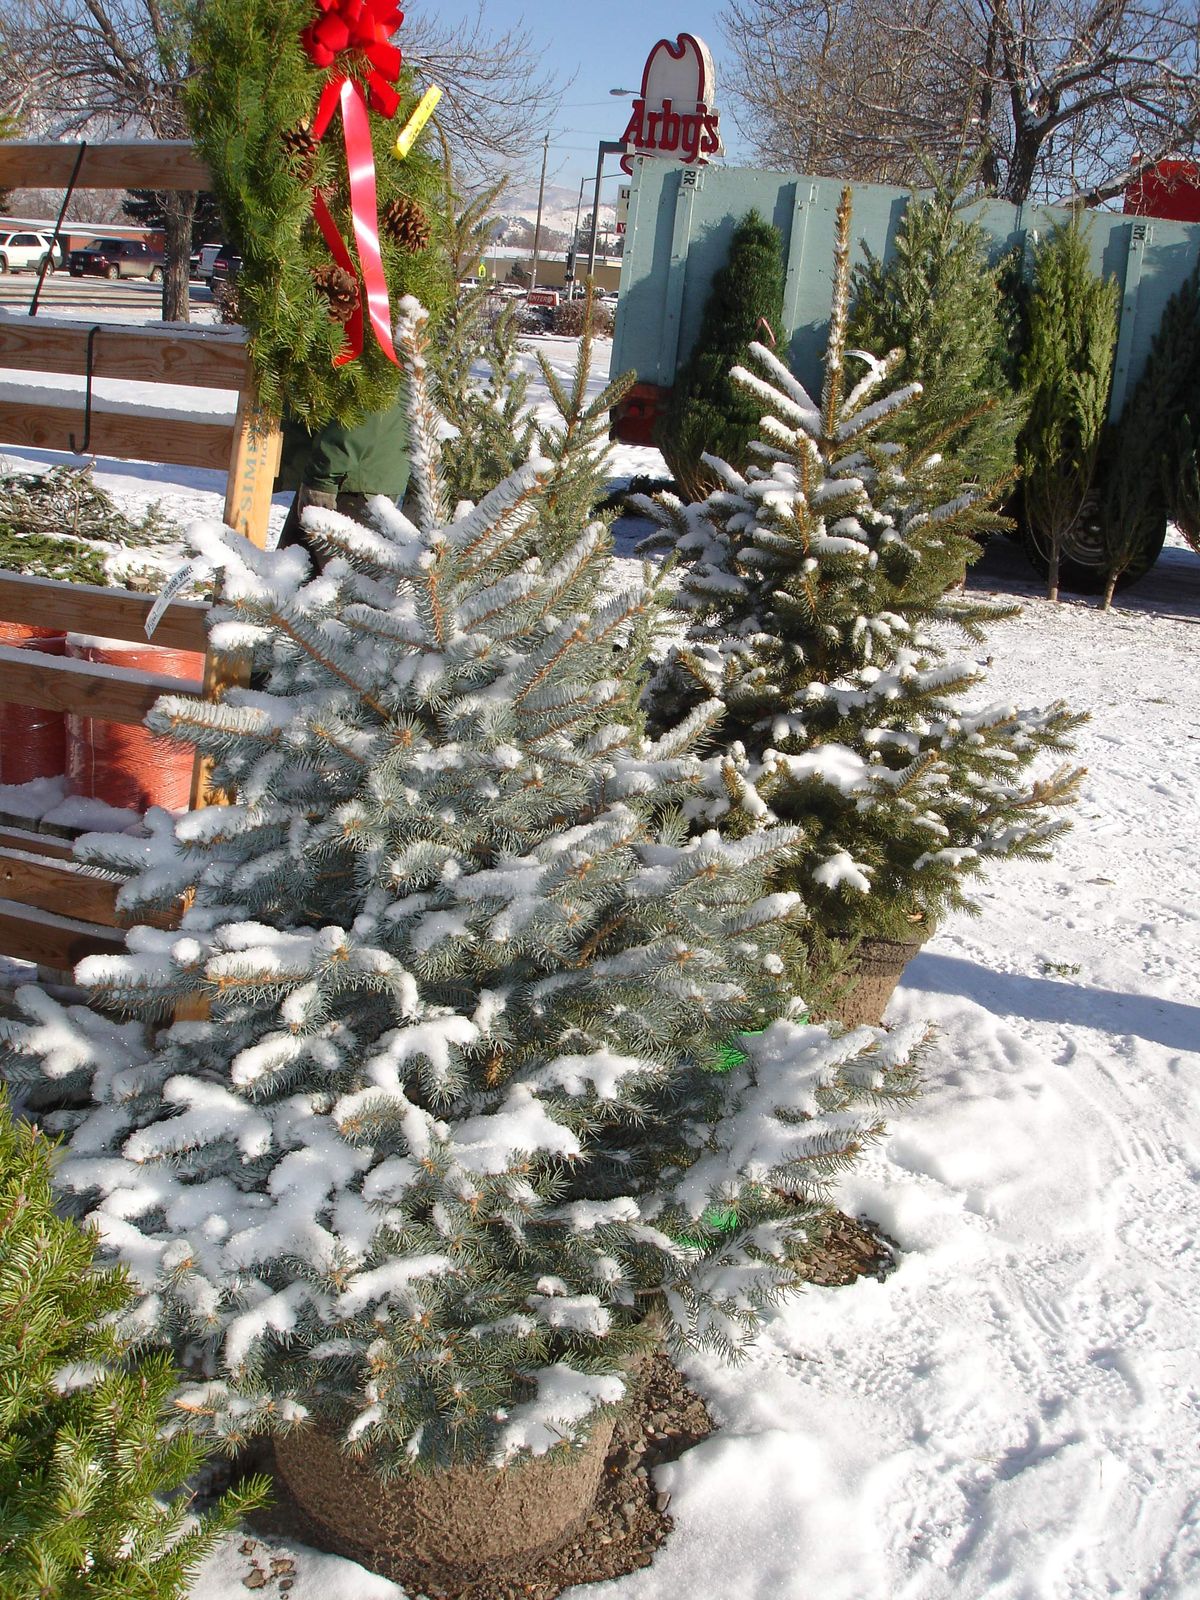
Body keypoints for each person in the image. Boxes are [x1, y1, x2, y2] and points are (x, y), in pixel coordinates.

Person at [275, 388, 411, 568]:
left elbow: (358, 417)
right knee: (289, 573)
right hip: (342, 474)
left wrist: (322, 476)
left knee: (341, 578)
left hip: (349, 480)